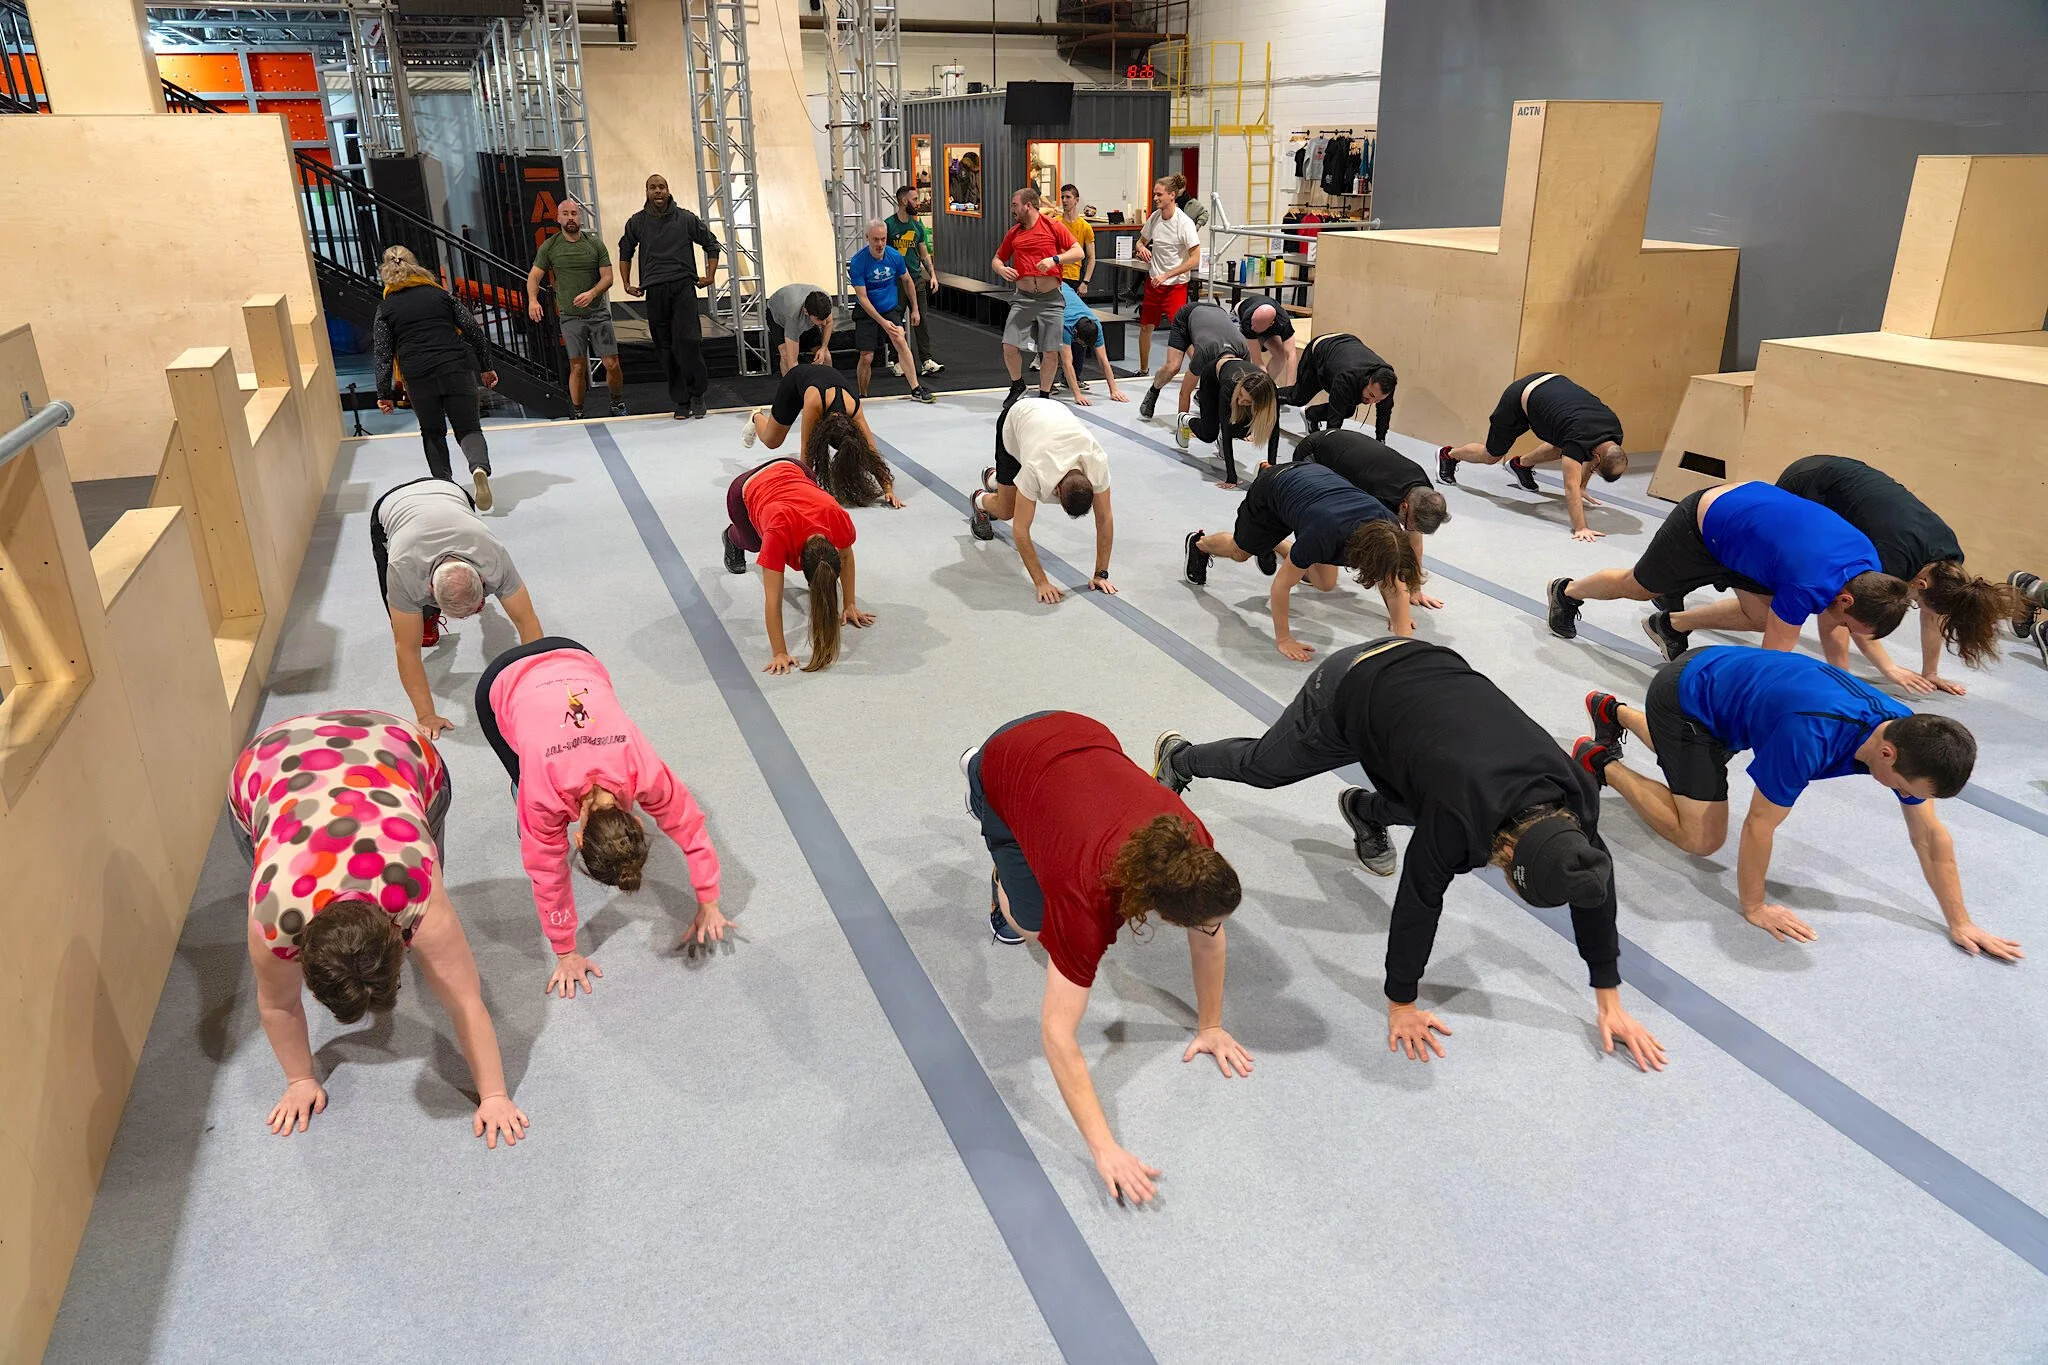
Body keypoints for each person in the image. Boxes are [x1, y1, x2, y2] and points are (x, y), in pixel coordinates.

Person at [1151, 637, 1665, 1070]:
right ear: (1507, 852)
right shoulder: (1460, 816)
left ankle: (1365, 810)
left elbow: (1593, 885)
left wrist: (1609, 995)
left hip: (1432, 686)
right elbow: (1419, 904)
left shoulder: (1575, 800)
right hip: (1354, 688)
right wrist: (1402, 1003)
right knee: (1267, 767)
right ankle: (1183, 757)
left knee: (1426, 790)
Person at [961, 710, 1250, 1204]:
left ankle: (1028, 829)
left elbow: (1210, 937)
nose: (1210, 930)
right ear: (1160, 910)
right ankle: (978, 785)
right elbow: (1056, 1035)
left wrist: (1211, 1026)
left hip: (1080, 730)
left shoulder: (1193, 841)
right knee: (1029, 926)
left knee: (1058, 836)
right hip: (1007, 759)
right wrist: (1104, 1149)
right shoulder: (1085, 901)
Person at [1575, 646, 2019, 960]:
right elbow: (1759, 826)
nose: (1909, 798)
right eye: (1910, 789)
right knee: (1703, 836)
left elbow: (1928, 836)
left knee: (1696, 763)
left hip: (1729, 683)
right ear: (1888, 755)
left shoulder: (1907, 735)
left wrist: (1961, 922)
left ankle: (1613, 712)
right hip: (1687, 698)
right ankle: (1600, 763)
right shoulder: (1809, 740)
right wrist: (1754, 906)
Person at [232, 709, 529, 1146]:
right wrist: (299, 1080)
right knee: (265, 839)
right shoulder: (273, 918)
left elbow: (467, 1001)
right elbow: (278, 1006)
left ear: (401, 935)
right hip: (268, 761)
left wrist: (495, 1095)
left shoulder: (416, 890)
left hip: (392, 745)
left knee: (429, 853)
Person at [474, 639, 729, 997]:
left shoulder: (641, 768)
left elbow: (689, 824)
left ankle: (534, 787)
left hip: (578, 657)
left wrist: (709, 899)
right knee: (526, 783)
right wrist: (565, 952)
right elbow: (547, 874)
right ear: (577, 840)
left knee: (538, 785)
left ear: (638, 821)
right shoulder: (545, 798)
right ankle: (524, 793)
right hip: (503, 680)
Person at [1665, 455, 2020, 695]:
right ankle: (1674, 608)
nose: (1921, 611)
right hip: (1811, 484)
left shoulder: (1949, 565)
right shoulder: (1889, 562)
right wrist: (1871, 672)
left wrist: (1930, 673)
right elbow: (1841, 617)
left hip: (1842, 476)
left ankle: (1672, 620)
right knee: (1776, 609)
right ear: (1921, 584)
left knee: (1771, 615)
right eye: (1920, 604)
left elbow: (1931, 616)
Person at [1546, 480, 1912, 661]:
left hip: (1756, 540)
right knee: (1639, 587)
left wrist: (1838, 687)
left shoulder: (1869, 570)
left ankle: (1669, 624)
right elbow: (1772, 662)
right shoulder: (1809, 584)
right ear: (1847, 599)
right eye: (1849, 623)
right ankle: (1567, 591)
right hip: (1707, 522)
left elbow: (1832, 627)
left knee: (1760, 617)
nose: (1842, 628)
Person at [1182, 460, 1424, 660]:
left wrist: (1401, 637)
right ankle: (1199, 544)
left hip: (1316, 484)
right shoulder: (1324, 534)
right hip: (1273, 491)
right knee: (1241, 552)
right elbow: (1281, 586)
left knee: (1325, 583)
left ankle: (1273, 543)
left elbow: (1394, 582)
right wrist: (1284, 639)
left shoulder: (1389, 527)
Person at [372, 477, 545, 735]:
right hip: (392, 507)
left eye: (478, 608)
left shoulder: (493, 556)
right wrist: (426, 715)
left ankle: (438, 611)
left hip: (451, 493)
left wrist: (539, 690)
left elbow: (527, 621)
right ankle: (427, 618)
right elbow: (405, 650)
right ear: (429, 590)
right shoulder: (403, 572)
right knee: (411, 632)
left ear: (483, 578)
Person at [371, 245, 499, 509]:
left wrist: (384, 394)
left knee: (432, 432)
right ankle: (478, 469)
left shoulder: (386, 307)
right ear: (415, 264)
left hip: (418, 376)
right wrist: (486, 366)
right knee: (468, 428)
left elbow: (383, 353)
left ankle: (444, 487)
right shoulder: (441, 296)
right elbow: (474, 331)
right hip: (455, 368)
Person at [719, 456, 870, 673]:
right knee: (752, 543)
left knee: (770, 528)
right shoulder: (778, 533)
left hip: (795, 468)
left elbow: (846, 557)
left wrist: (849, 603)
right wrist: (779, 652)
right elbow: (773, 601)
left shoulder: (834, 514)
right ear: (799, 562)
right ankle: (731, 536)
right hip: (746, 487)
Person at [1440, 373, 1627, 540]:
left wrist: (1583, 487)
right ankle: (1449, 455)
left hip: (1551, 384)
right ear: (1597, 457)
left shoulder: (1614, 433)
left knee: (1560, 448)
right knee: (1491, 455)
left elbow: (1589, 460)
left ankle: (1520, 466)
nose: (1592, 470)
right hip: (1519, 398)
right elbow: (1570, 486)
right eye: (1595, 470)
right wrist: (1581, 527)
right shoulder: (1579, 439)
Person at [966, 394, 1116, 602]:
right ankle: (979, 499)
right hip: (1015, 421)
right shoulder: (1036, 468)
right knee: (1006, 510)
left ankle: (995, 479)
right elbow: (1020, 530)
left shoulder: (1096, 462)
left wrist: (1101, 574)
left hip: (1050, 415)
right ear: (1059, 492)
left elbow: (1105, 519)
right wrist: (1041, 582)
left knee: (1009, 492)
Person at [1285, 429, 1449, 608]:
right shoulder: (1381, 496)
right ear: (1404, 506)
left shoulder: (1423, 492)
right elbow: (1380, 555)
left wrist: (1414, 587)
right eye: (1409, 525)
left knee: (1326, 572)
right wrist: (1399, 612)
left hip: (1344, 447)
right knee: (1323, 574)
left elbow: (1414, 542)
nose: (1409, 529)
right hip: (1314, 453)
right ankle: (1275, 533)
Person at [618, 173, 722, 420]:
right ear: (646, 192)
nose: (658, 192)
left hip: (683, 287)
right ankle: (681, 400)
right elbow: (625, 250)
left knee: (688, 341)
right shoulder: (637, 222)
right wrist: (625, 283)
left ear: (668, 189)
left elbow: (711, 244)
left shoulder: (685, 219)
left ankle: (698, 395)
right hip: (654, 290)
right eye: (653, 187)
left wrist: (709, 275)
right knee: (665, 347)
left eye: (662, 187)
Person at [741, 363, 903, 508]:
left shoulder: (853, 409)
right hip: (795, 383)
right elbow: (806, 451)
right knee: (772, 441)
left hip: (823, 380)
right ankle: (756, 416)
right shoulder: (815, 403)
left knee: (864, 450)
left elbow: (872, 453)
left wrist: (888, 490)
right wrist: (806, 493)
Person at [526, 198, 626, 418]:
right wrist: (533, 300)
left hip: (598, 314)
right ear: (558, 218)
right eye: (566, 213)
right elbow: (534, 276)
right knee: (578, 367)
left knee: (612, 363)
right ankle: (578, 411)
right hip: (570, 317)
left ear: (580, 217)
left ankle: (617, 403)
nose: (570, 217)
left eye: (574, 213)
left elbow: (608, 277)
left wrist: (592, 293)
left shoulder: (594, 244)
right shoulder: (551, 246)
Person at [992, 187, 1083, 403]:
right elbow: (997, 259)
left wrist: (1055, 260)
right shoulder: (1014, 232)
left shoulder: (1053, 226)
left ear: (1028, 205)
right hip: (1023, 298)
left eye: (1015, 205)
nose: (1012, 209)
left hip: (1050, 299)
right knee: (1009, 344)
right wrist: (1001, 269)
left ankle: (1044, 395)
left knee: (1050, 352)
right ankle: (1017, 385)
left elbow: (1078, 252)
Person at [1174, 338, 1280, 489]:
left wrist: (1271, 469)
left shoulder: (1271, 393)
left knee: (1243, 429)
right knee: (1209, 433)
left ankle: (1221, 438)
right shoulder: (1231, 387)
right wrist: (1231, 477)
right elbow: (1226, 426)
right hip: (1213, 376)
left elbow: (1274, 430)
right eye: (1241, 396)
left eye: (1247, 402)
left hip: (1236, 376)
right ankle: (1184, 419)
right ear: (1240, 388)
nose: (1241, 402)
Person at [849, 220, 934, 403]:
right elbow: (862, 298)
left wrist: (915, 310)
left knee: (900, 340)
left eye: (883, 239)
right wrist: (882, 322)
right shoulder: (858, 262)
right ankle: (863, 395)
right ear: (867, 239)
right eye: (875, 240)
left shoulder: (895, 256)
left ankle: (916, 388)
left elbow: (908, 281)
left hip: (889, 308)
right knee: (867, 356)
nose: (880, 244)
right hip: (867, 311)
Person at [1132, 177, 1202, 372]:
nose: (1155, 197)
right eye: (1155, 194)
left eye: (1159, 194)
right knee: (1146, 327)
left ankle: (1201, 371)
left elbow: (1195, 258)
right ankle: (1143, 369)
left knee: (1181, 330)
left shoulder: (1184, 223)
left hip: (1176, 286)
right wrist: (1141, 248)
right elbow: (1140, 241)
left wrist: (1167, 275)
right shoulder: (1154, 218)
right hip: (1154, 283)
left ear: (1172, 195)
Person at [1282, 332, 1397, 440]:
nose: (1371, 401)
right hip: (1320, 350)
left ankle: (1311, 415)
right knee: (1297, 398)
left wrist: (1380, 439)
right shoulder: (1346, 378)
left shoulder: (1387, 381)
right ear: (1368, 380)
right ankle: (1267, 394)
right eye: (1371, 395)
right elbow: (1334, 420)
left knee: (1348, 409)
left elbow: (1384, 413)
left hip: (1345, 347)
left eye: (1378, 400)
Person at [885, 184, 945, 379]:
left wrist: (933, 275)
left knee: (922, 321)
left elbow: (924, 253)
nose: (918, 203)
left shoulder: (917, 226)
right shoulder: (889, 226)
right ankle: (895, 361)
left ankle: (926, 361)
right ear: (904, 201)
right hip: (896, 282)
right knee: (896, 322)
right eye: (915, 199)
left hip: (916, 279)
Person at [1042, 282, 1127, 404]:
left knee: (1076, 352)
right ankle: (1046, 384)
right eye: (1082, 343)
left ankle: (1068, 381)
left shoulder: (1095, 325)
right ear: (1075, 332)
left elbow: (1103, 360)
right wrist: (1078, 395)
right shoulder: (1065, 325)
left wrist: (1114, 390)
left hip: (1065, 293)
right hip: (1047, 291)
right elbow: (1067, 363)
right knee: (1051, 351)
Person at [765, 283, 837, 375]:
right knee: (786, 355)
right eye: (820, 319)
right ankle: (790, 388)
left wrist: (823, 348)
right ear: (806, 312)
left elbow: (828, 323)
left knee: (825, 356)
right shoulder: (792, 316)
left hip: (802, 308)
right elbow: (793, 363)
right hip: (777, 314)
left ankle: (829, 387)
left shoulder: (825, 300)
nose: (823, 323)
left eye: (824, 318)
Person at [1236, 296, 1297, 378]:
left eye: (1256, 327)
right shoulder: (1248, 323)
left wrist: (1290, 387)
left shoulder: (1283, 322)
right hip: (1238, 317)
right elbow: (1256, 360)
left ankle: (1270, 384)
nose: (1253, 328)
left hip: (1266, 325)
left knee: (1279, 354)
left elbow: (1291, 355)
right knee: (1242, 355)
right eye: (1253, 324)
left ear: (1271, 324)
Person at [1056, 182, 1096, 293]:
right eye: (1062, 197)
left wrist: (1085, 282)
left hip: (1074, 275)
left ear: (1076, 200)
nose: (1064, 200)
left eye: (1068, 197)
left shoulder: (1085, 227)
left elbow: (1091, 257)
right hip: (1055, 273)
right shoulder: (1055, 223)